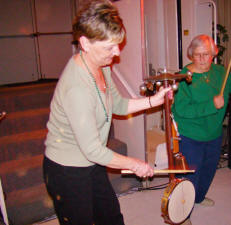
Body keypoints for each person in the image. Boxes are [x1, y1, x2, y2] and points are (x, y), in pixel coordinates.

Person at [43, 1, 171, 224]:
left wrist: (153, 100)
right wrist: (134, 164)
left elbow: (119, 106)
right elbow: (92, 149)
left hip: (91, 161)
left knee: (111, 217)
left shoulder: (103, 66)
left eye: (118, 45)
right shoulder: (77, 88)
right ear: (85, 43)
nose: (117, 53)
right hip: (67, 169)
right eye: (109, 47)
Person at [171, 35, 231, 208]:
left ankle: (198, 198)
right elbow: (180, 110)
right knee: (191, 176)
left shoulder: (219, 71)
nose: (203, 59)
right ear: (191, 55)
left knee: (209, 171)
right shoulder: (183, 77)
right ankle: (182, 211)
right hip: (191, 135)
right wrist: (211, 105)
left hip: (214, 133)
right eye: (198, 55)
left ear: (213, 54)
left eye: (207, 54)